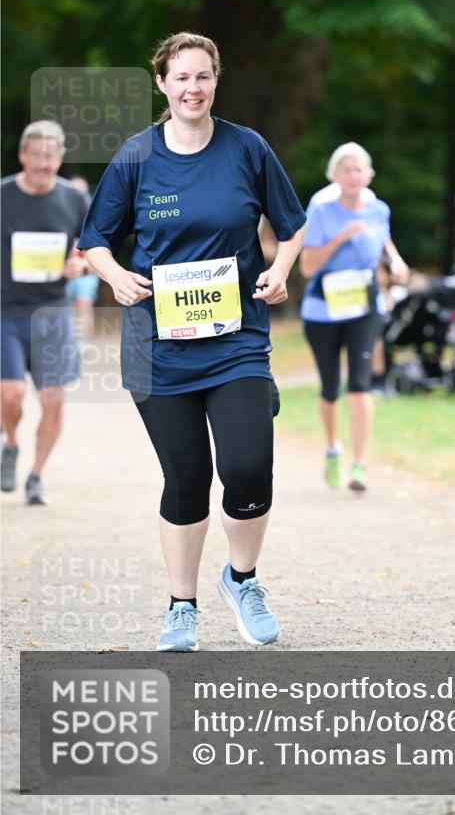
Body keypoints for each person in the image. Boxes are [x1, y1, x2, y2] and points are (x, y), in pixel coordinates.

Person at [78, 32, 306, 651]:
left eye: (203, 76)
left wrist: (280, 272)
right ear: (162, 84)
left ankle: (243, 579)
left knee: (249, 468)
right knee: (186, 478)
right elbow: (94, 239)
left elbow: (291, 227)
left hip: (235, 340)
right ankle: (182, 606)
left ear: (215, 81)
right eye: (181, 78)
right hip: (158, 346)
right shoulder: (135, 156)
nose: (192, 88)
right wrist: (118, 276)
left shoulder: (247, 149)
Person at [299, 142, 408, 492]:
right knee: (331, 387)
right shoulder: (320, 207)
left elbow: (385, 240)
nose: (353, 175)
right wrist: (344, 235)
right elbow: (307, 266)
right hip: (323, 308)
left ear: (369, 175)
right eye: (346, 169)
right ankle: (333, 448)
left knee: (360, 382)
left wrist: (397, 261)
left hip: (364, 305)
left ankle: (359, 464)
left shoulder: (378, 208)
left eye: (359, 169)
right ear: (334, 175)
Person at [1, 120, 89, 505]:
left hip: (52, 310)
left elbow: (91, 246)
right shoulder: (3, 196)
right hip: (5, 310)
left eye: (49, 156)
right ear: (22, 155)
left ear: (60, 158)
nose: (42, 163)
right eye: (35, 155)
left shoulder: (74, 200)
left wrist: (80, 265)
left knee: (53, 397)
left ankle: (36, 475)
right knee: (12, 393)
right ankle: (12, 443)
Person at [66, 176, 99, 338]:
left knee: (84, 304)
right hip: (65, 268)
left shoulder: (94, 214)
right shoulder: (58, 210)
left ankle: (82, 343)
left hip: (87, 267)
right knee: (66, 307)